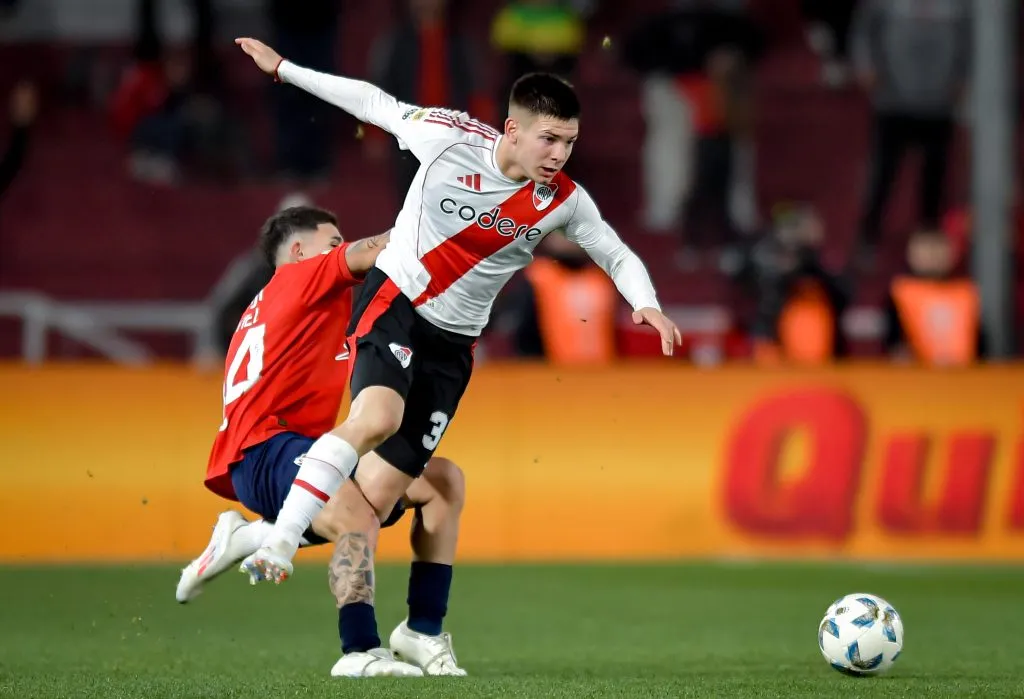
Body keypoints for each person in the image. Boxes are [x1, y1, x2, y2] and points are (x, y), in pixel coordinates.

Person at [234, 35, 681, 673]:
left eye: (569, 142)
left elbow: (614, 251)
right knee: (377, 419)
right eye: (548, 139)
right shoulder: (447, 138)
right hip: (396, 304)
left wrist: (646, 300)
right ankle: (278, 543)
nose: (558, 155)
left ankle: (395, 619)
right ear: (513, 130)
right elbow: (370, 101)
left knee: (378, 499)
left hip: (452, 349)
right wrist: (284, 70)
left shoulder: (564, 201)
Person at [177, 206, 466, 677]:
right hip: (264, 450)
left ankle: (421, 629)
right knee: (354, 513)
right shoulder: (300, 277)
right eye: (332, 241)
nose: (340, 250)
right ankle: (358, 650)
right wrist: (445, 218)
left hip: (304, 449)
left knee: (441, 482)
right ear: (298, 251)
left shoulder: (293, 301)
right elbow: (377, 248)